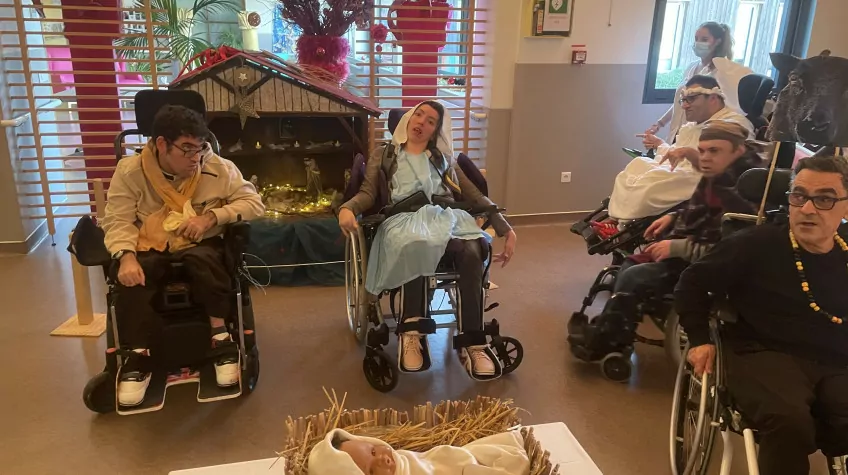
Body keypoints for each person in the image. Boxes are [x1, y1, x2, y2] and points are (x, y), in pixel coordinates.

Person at [676, 151, 848, 475]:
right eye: (799, 196)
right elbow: (692, 283)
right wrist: (699, 338)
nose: (807, 209)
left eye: (824, 199)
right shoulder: (754, 245)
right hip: (762, 351)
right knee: (790, 422)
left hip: (836, 358)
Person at [338, 101, 517, 380]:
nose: (422, 122)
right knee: (419, 243)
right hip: (405, 220)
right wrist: (347, 208)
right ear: (409, 119)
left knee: (473, 248)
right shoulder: (385, 154)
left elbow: (474, 195)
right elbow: (368, 193)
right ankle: (412, 331)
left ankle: (473, 342)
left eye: (431, 121)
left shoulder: (444, 159)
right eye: (419, 115)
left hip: (446, 217)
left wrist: (505, 228)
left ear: (435, 130)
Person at [101, 105, 265, 406]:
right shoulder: (130, 172)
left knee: (209, 261)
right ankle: (137, 356)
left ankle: (221, 339)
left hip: (201, 243)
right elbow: (118, 219)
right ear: (162, 144)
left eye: (200, 148)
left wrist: (211, 217)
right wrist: (125, 256)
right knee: (134, 275)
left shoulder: (217, 167)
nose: (195, 157)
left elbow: (254, 203)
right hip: (149, 244)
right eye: (187, 149)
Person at [570, 121, 763, 355]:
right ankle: (612, 328)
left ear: (738, 150)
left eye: (714, 151)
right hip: (689, 249)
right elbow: (701, 210)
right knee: (630, 263)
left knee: (633, 276)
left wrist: (677, 247)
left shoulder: (744, 195)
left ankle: (609, 342)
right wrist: (674, 216)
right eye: (702, 150)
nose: (705, 158)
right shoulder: (721, 176)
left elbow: (728, 251)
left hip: (704, 268)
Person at [606, 75, 754, 223]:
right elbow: (676, 153)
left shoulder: (731, 124)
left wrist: (689, 154)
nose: (684, 106)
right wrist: (660, 144)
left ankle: (621, 224)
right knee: (638, 164)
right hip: (681, 170)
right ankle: (616, 219)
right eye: (684, 100)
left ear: (713, 98)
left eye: (691, 99)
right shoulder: (691, 127)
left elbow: (729, 167)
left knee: (649, 183)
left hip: (702, 177)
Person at [646, 21, 734, 142]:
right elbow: (680, 102)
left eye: (704, 39)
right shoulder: (691, 67)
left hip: (699, 134)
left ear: (718, 42)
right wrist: (659, 124)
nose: (698, 43)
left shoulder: (721, 72)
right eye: (696, 39)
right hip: (677, 131)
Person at [308, 428, 530, 475]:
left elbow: (426, 460)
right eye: (372, 471)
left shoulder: (400, 459)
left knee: (461, 459)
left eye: (373, 451)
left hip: (441, 463)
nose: (383, 459)